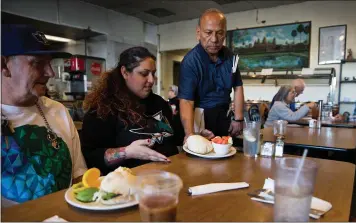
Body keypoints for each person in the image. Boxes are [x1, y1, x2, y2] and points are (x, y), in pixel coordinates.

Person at [1, 24, 87, 207]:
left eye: (50, 63)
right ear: (4, 65)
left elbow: (79, 177)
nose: (51, 73)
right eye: (37, 63)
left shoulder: (58, 110)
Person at [81, 47, 178, 175]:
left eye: (153, 73)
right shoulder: (103, 109)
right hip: (129, 185)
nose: (151, 80)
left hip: (169, 177)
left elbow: (175, 138)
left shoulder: (159, 103)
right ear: (125, 73)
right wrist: (127, 152)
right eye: (144, 74)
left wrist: (195, 136)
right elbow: (91, 157)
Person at [179, 8, 244, 141]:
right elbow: (186, 100)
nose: (214, 39)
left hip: (224, 114)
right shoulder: (190, 61)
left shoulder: (231, 57)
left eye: (219, 33)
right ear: (198, 33)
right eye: (208, 33)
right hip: (200, 116)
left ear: (225, 34)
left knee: (225, 152)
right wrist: (189, 134)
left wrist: (238, 118)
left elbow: (238, 86)